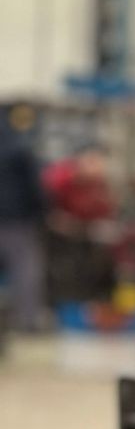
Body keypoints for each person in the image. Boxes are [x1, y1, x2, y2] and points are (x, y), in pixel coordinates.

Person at [0, 110, 47, 334]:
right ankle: (27, 322)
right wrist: (42, 211)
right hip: (16, 219)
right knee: (24, 269)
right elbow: (35, 186)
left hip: (12, 216)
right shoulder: (20, 146)